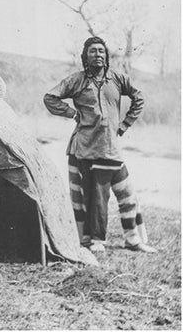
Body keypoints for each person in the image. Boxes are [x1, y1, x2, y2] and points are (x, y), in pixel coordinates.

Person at [43, 36, 156, 253]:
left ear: (106, 56)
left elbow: (138, 97)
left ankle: (133, 239)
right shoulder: (77, 80)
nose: (98, 55)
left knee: (127, 192)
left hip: (111, 146)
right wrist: (72, 113)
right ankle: (94, 240)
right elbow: (50, 98)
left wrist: (124, 125)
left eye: (101, 51)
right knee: (95, 196)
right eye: (93, 51)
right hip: (87, 147)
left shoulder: (117, 79)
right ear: (85, 56)